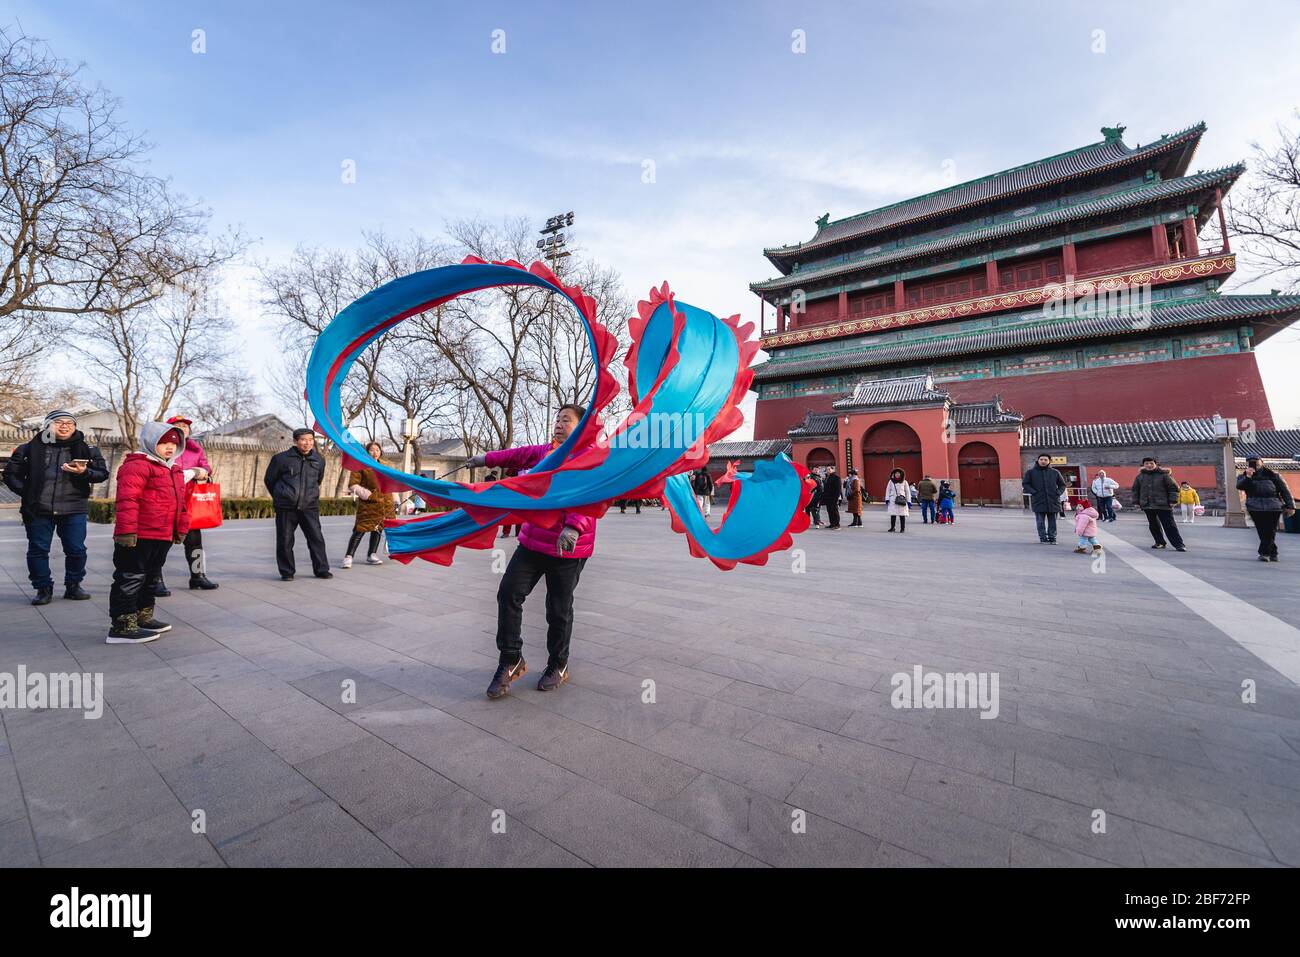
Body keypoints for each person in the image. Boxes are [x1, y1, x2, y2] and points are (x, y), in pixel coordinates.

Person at [468, 404, 596, 697]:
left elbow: (591, 495)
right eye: (558, 419)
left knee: (558, 609)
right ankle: (511, 659)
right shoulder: (542, 453)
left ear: (581, 427)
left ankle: (558, 664)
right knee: (508, 592)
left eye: (567, 420)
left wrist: (574, 526)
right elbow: (514, 455)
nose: (560, 424)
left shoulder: (588, 458)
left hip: (568, 547)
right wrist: (483, 459)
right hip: (532, 540)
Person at [2, 410, 109, 605]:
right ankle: (43, 588)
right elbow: (10, 474)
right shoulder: (28, 448)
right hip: (38, 508)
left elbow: (102, 473)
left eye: (70, 422)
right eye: (59, 422)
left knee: (76, 549)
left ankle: (74, 585)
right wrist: (27, 492)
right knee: (38, 550)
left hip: (74, 507)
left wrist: (85, 472)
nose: (65, 425)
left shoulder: (88, 449)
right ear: (47, 425)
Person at [107, 423, 190, 643]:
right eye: (163, 442)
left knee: (151, 577)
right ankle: (122, 626)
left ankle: (142, 617)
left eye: (174, 443)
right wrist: (126, 531)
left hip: (162, 534)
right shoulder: (138, 465)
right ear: (151, 442)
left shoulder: (173, 469)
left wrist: (180, 527)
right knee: (130, 577)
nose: (169, 447)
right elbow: (127, 500)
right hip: (139, 534)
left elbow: (180, 504)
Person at [158, 414, 219, 593]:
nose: (183, 428)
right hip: (167, 502)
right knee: (160, 544)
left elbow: (206, 466)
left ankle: (198, 577)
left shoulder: (195, 449)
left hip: (190, 502)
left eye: (186, 426)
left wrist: (201, 471)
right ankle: (155, 579)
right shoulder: (162, 447)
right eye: (178, 425)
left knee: (195, 543)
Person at [264, 428, 332, 580]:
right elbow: (269, 480)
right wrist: (281, 495)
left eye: (310, 440)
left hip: (310, 507)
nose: (307, 443)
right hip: (287, 507)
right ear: (295, 441)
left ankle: (322, 569)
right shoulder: (281, 459)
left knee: (316, 539)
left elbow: (318, 481)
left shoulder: (319, 460)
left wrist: (310, 495)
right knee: (285, 540)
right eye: (303, 440)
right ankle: (287, 572)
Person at [342, 440, 398, 569]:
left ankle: (372, 554)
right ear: (366, 452)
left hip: (385, 503)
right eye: (372, 450)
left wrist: (395, 499)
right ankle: (348, 556)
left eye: (377, 450)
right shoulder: (360, 465)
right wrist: (368, 495)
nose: (375, 453)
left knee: (378, 529)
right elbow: (353, 484)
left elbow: (391, 483)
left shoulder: (385, 465)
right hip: (369, 504)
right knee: (360, 530)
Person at [1237, 456, 1295, 563]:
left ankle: (1264, 553)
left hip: (1273, 506)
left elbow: (1285, 491)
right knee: (1262, 531)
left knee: (1270, 531)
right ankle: (1273, 553)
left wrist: (1290, 506)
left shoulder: (1274, 475)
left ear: (1262, 462)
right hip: (1255, 507)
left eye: (1257, 463)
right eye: (1252, 463)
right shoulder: (1244, 476)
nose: (1255, 465)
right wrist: (1248, 477)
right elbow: (1240, 486)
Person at [1131, 456, 1185, 551]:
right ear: (1143, 465)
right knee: (1153, 525)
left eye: (1151, 463)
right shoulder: (1140, 477)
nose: (1149, 465)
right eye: (1146, 463)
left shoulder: (1164, 475)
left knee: (1169, 525)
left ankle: (1179, 544)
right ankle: (1159, 542)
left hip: (1163, 505)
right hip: (1148, 505)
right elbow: (1135, 490)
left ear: (1156, 464)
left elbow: (1173, 488)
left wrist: (1173, 501)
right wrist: (1136, 501)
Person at [1022, 453, 1066, 544]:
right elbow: (1025, 484)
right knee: (1040, 522)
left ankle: (1052, 538)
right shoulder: (1031, 472)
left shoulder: (1055, 472)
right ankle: (1043, 538)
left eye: (1045, 460)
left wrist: (1057, 493)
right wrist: (1034, 492)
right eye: (1041, 459)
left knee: (1052, 522)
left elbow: (1062, 485)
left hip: (1053, 500)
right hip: (1038, 500)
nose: (1043, 461)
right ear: (1038, 460)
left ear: (1049, 461)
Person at [885, 468, 911, 532]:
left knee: (902, 515)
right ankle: (892, 527)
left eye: (898, 473)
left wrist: (909, 501)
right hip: (893, 499)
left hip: (902, 499)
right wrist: (887, 498)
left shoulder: (904, 481)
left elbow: (907, 491)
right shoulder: (891, 481)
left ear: (901, 474)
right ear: (894, 474)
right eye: (896, 473)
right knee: (893, 514)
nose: (897, 474)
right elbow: (888, 490)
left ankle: (902, 528)